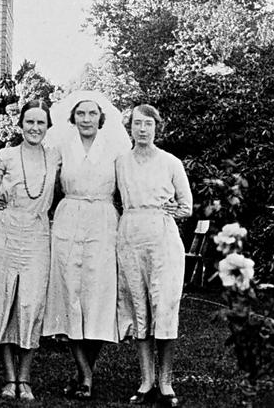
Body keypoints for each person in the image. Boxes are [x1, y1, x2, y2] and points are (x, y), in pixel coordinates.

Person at [41, 91, 131, 400]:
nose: (87, 119)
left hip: (104, 222)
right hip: (69, 219)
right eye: (81, 114)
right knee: (70, 296)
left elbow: (131, 182)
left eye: (92, 114)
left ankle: (83, 374)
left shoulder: (116, 148)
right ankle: (87, 375)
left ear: (101, 118)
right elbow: (41, 178)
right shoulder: (62, 145)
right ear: (73, 118)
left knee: (99, 298)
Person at [0, 99, 60, 401]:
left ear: (48, 126)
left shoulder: (56, 156)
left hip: (37, 235)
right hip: (4, 232)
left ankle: (26, 378)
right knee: (5, 303)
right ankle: (10, 379)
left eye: (40, 122)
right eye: (30, 122)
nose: (35, 128)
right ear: (20, 124)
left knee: (31, 305)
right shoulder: (5, 155)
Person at [115, 104, 193, 407]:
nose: (143, 129)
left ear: (157, 127)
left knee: (164, 308)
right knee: (140, 309)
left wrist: (172, 209)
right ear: (130, 128)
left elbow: (186, 205)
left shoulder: (171, 162)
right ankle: (146, 381)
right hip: (131, 236)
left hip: (162, 239)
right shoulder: (121, 162)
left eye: (148, 124)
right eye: (137, 124)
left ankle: (166, 382)